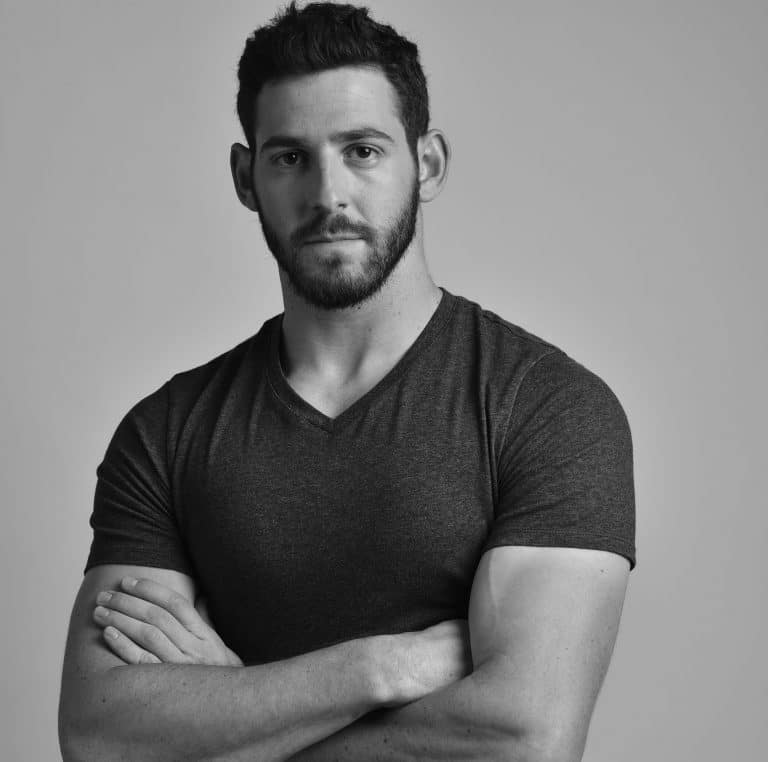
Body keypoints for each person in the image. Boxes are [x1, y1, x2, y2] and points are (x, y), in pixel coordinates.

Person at [58, 2, 636, 760]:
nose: (328, 194)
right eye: (289, 158)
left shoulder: (546, 407)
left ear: (427, 165)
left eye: (362, 150)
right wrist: (380, 667)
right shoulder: (167, 432)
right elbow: (101, 735)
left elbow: (524, 739)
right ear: (245, 177)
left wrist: (237, 714)